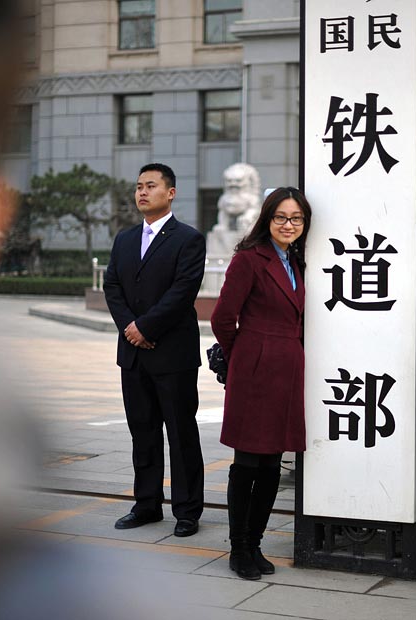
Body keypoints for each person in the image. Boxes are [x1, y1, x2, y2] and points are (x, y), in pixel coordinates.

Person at [210, 187, 311, 580]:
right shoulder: (249, 258)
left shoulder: (297, 260)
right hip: (255, 368)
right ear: (267, 218)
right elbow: (222, 318)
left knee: (272, 462)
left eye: (296, 219)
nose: (289, 225)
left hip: (287, 369)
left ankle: (255, 542)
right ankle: (238, 548)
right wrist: (243, 358)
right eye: (281, 217)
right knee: (248, 461)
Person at [103, 163, 207, 538]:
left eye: (151, 185)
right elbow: (112, 285)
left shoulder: (189, 239)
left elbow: (183, 292)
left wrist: (145, 327)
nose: (142, 192)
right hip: (133, 354)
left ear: (171, 192)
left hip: (172, 354)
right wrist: (130, 329)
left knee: (181, 433)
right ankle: (147, 504)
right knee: (142, 432)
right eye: (138, 186)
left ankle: (187, 510)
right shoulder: (125, 238)